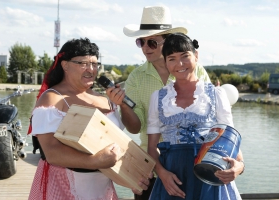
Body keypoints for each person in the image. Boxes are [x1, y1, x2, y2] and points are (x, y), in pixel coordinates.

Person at [105, 5, 211, 200]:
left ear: (168, 41)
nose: (145, 48)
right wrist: (123, 105)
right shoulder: (136, 77)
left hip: (193, 163)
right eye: (141, 42)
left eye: (152, 42)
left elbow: (212, 120)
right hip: (151, 170)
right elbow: (135, 128)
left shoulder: (196, 70)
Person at [28, 38, 149, 200]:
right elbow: (52, 152)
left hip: (102, 188)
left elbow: (122, 139)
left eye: (95, 64)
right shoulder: (52, 99)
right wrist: (95, 161)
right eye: (83, 63)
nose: (91, 69)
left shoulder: (105, 99)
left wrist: (130, 178)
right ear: (65, 65)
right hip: (63, 186)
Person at [146, 33, 244, 199]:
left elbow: (232, 143)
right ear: (165, 62)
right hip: (173, 179)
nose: (180, 64)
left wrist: (238, 167)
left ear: (196, 56)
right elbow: (151, 147)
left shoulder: (216, 94)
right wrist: (162, 174)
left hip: (211, 176)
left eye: (185, 56)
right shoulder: (158, 97)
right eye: (172, 58)